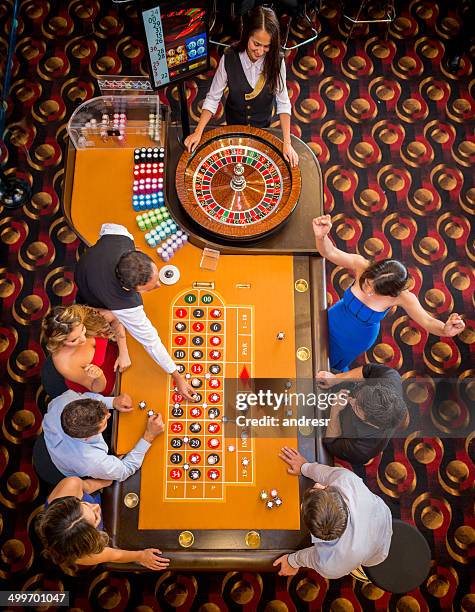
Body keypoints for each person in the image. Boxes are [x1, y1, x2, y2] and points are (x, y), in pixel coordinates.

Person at [313, 215, 465, 371]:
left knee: (322, 366)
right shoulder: (361, 264)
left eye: (375, 290)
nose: (368, 289)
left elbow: (429, 322)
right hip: (334, 317)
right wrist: (321, 236)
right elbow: (330, 252)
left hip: (355, 338)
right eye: (367, 282)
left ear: (392, 293)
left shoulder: (404, 297)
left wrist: (445, 330)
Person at [74, 223, 195, 401]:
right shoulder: (125, 303)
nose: (160, 285)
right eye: (150, 288)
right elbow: (151, 342)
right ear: (127, 288)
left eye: (156, 278)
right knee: (107, 315)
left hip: (86, 270)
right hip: (90, 300)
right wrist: (177, 377)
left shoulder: (120, 234)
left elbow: (105, 228)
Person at [184, 5, 299, 167]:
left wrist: (287, 142)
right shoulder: (229, 57)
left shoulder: (276, 60)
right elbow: (212, 98)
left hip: (262, 127)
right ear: (247, 35)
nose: (260, 51)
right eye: (256, 44)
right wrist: (198, 132)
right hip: (234, 124)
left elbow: (283, 102)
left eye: (267, 46)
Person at [273, 447, 392, 578]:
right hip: (383, 514)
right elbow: (326, 474)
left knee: (366, 560)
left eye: (321, 488)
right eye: (324, 488)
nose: (318, 484)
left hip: (377, 554)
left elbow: (312, 557)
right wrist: (303, 467)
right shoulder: (347, 480)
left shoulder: (331, 566)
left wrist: (292, 561)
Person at [37, 477, 170, 572]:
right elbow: (114, 555)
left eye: (84, 504)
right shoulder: (82, 554)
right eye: (95, 518)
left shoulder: (71, 484)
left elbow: (88, 486)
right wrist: (140, 556)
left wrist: (111, 477)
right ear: (92, 537)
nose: (95, 506)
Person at [42, 389, 164, 481]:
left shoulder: (66, 401)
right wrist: (149, 435)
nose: (109, 415)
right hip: (66, 468)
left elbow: (86, 397)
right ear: (88, 437)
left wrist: (113, 401)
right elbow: (125, 470)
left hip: (54, 440)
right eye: (105, 421)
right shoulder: (91, 461)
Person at [317, 364, 408, 464]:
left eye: (356, 407)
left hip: (327, 426)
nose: (351, 400)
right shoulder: (391, 377)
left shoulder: (363, 449)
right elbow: (368, 370)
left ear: (370, 423)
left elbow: (332, 443)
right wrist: (336, 379)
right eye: (357, 396)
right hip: (342, 385)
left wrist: (335, 411)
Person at [42, 304, 130, 396]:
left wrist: (123, 353)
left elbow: (115, 317)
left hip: (122, 353)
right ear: (60, 342)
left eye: (83, 330)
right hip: (110, 381)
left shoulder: (82, 314)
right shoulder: (64, 363)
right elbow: (96, 388)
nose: (83, 339)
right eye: (74, 340)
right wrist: (99, 376)